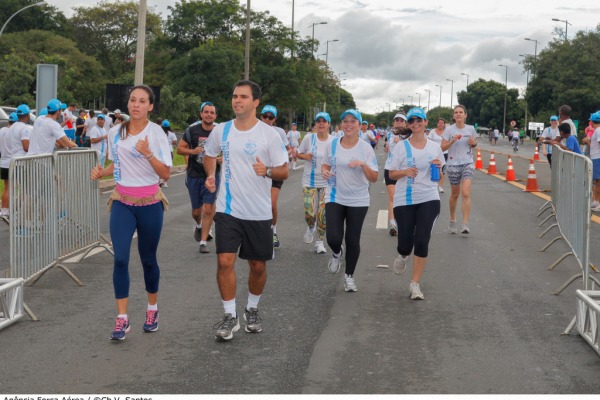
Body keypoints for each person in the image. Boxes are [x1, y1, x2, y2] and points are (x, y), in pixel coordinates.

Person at [204, 80, 289, 341]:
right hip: (229, 208)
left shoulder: (269, 135)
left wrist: (268, 171)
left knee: (258, 266)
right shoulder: (222, 130)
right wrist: (210, 174)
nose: (237, 100)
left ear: (255, 102)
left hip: (259, 212)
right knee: (224, 261)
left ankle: (252, 309)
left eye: (243, 97)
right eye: (234, 96)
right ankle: (230, 316)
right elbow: (209, 154)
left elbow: (284, 169)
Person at [90, 85, 172, 341]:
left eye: (142, 101)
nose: (136, 105)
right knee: (121, 259)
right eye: (133, 100)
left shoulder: (156, 133)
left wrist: (148, 154)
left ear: (150, 106)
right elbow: (117, 162)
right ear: (128, 104)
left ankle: (152, 309)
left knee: (148, 259)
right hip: (122, 202)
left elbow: (166, 173)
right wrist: (102, 172)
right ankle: (122, 319)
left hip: (150, 203)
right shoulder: (116, 131)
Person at [388, 108, 444, 300]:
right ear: (408, 125)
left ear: (426, 122)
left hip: (429, 197)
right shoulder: (401, 147)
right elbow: (391, 174)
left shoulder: (435, 147)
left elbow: (440, 179)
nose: (415, 123)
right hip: (404, 199)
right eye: (411, 121)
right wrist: (404, 172)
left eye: (419, 119)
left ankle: (415, 284)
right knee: (405, 244)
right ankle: (403, 256)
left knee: (421, 239)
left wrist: (438, 168)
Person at [321, 109, 379, 292]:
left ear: (359, 125)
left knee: (352, 239)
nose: (348, 124)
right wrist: (324, 171)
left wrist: (362, 164)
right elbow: (325, 164)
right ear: (341, 125)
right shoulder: (332, 145)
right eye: (345, 121)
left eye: (353, 121)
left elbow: (374, 177)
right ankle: (337, 253)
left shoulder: (365, 148)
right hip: (335, 196)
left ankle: (349, 276)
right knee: (333, 237)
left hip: (358, 199)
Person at [177, 101, 218, 253]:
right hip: (194, 174)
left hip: (212, 175)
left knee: (208, 209)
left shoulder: (219, 131)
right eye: (206, 112)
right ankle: (199, 225)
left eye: (212, 112)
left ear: (215, 115)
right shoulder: (192, 130)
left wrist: (221, 159)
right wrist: (193, 152)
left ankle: (203, 242)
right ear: (201, 114)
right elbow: (180, 149)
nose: (209, 115)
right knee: (196, 211)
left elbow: (227, 151)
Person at [296, 112, 334, 254]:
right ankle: (311, 227)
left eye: (324, 121)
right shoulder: (309, 138)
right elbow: (298, 153)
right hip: (309, 181)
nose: (321, 123)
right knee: (310, 212)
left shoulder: (334, 141)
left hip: (326, 182)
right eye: (318, 121)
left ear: (329, 124)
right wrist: (305, 156)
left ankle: (319, 242)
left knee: (322, 214)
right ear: (316, 124)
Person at [441, 105, 477, 235]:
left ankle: (465, 224)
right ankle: (452, 220)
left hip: (467, 163)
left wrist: (473, 142)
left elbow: (474, 144)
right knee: (455, 194)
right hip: (452, 164)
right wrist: (452, 141)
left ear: (465, 115)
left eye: (461, 112)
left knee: (465, 192)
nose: (458, 114)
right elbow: (442, 147)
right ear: (453, 116)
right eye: (456, 112)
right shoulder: (449, 130)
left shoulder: (471, 129)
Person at [260, 105, 291, 249]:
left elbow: (287, 149)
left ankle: (273, 231)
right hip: (259, 172)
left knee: (271, 204)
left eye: (270, 117)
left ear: (275, 119)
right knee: (259, 204)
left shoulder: (279, 132)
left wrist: (288, 156)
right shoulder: (254, 130)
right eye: (264, 116)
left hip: (275, 171)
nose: (267, 119)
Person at [384, 113, 407, 236]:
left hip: (404, 171)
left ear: (405, 123)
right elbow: (387, 147)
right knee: (392, 196)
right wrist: (387, 147)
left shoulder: (410, 135)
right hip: (390, 168)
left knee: (403, 197)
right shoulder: (389, 134)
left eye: (401, 120)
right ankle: (393, 224)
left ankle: (403, 222)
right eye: (396, 120)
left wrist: (401, 142)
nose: (399, 122)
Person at [0, 112, 18, 222]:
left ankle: (4, 211)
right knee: (15, 187)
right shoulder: (15, 131)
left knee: (7, 187)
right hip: (14, 161)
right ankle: (11, 210)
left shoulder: (1, 131)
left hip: (3, 162)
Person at [582, 111, 600, 212]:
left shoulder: (598, 131)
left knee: (598, 181)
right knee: (596, 181)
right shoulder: (597, 131)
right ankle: (596, 201)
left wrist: (588, 141)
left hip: (598, 157)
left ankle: (597, 203)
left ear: (592, 121)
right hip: (595, 157)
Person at [427, 117, 448, 193]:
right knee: (434, 169)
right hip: (434, 153)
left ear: (444, 124)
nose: (441, 124)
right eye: (439, 123)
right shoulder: (433, 131)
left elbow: (449, 142)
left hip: (444, 153)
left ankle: (440, 186)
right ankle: (432, 184)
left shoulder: (446, 132)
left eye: (442, 123)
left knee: (442, 170)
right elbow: (428, 140)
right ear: (437, 124)